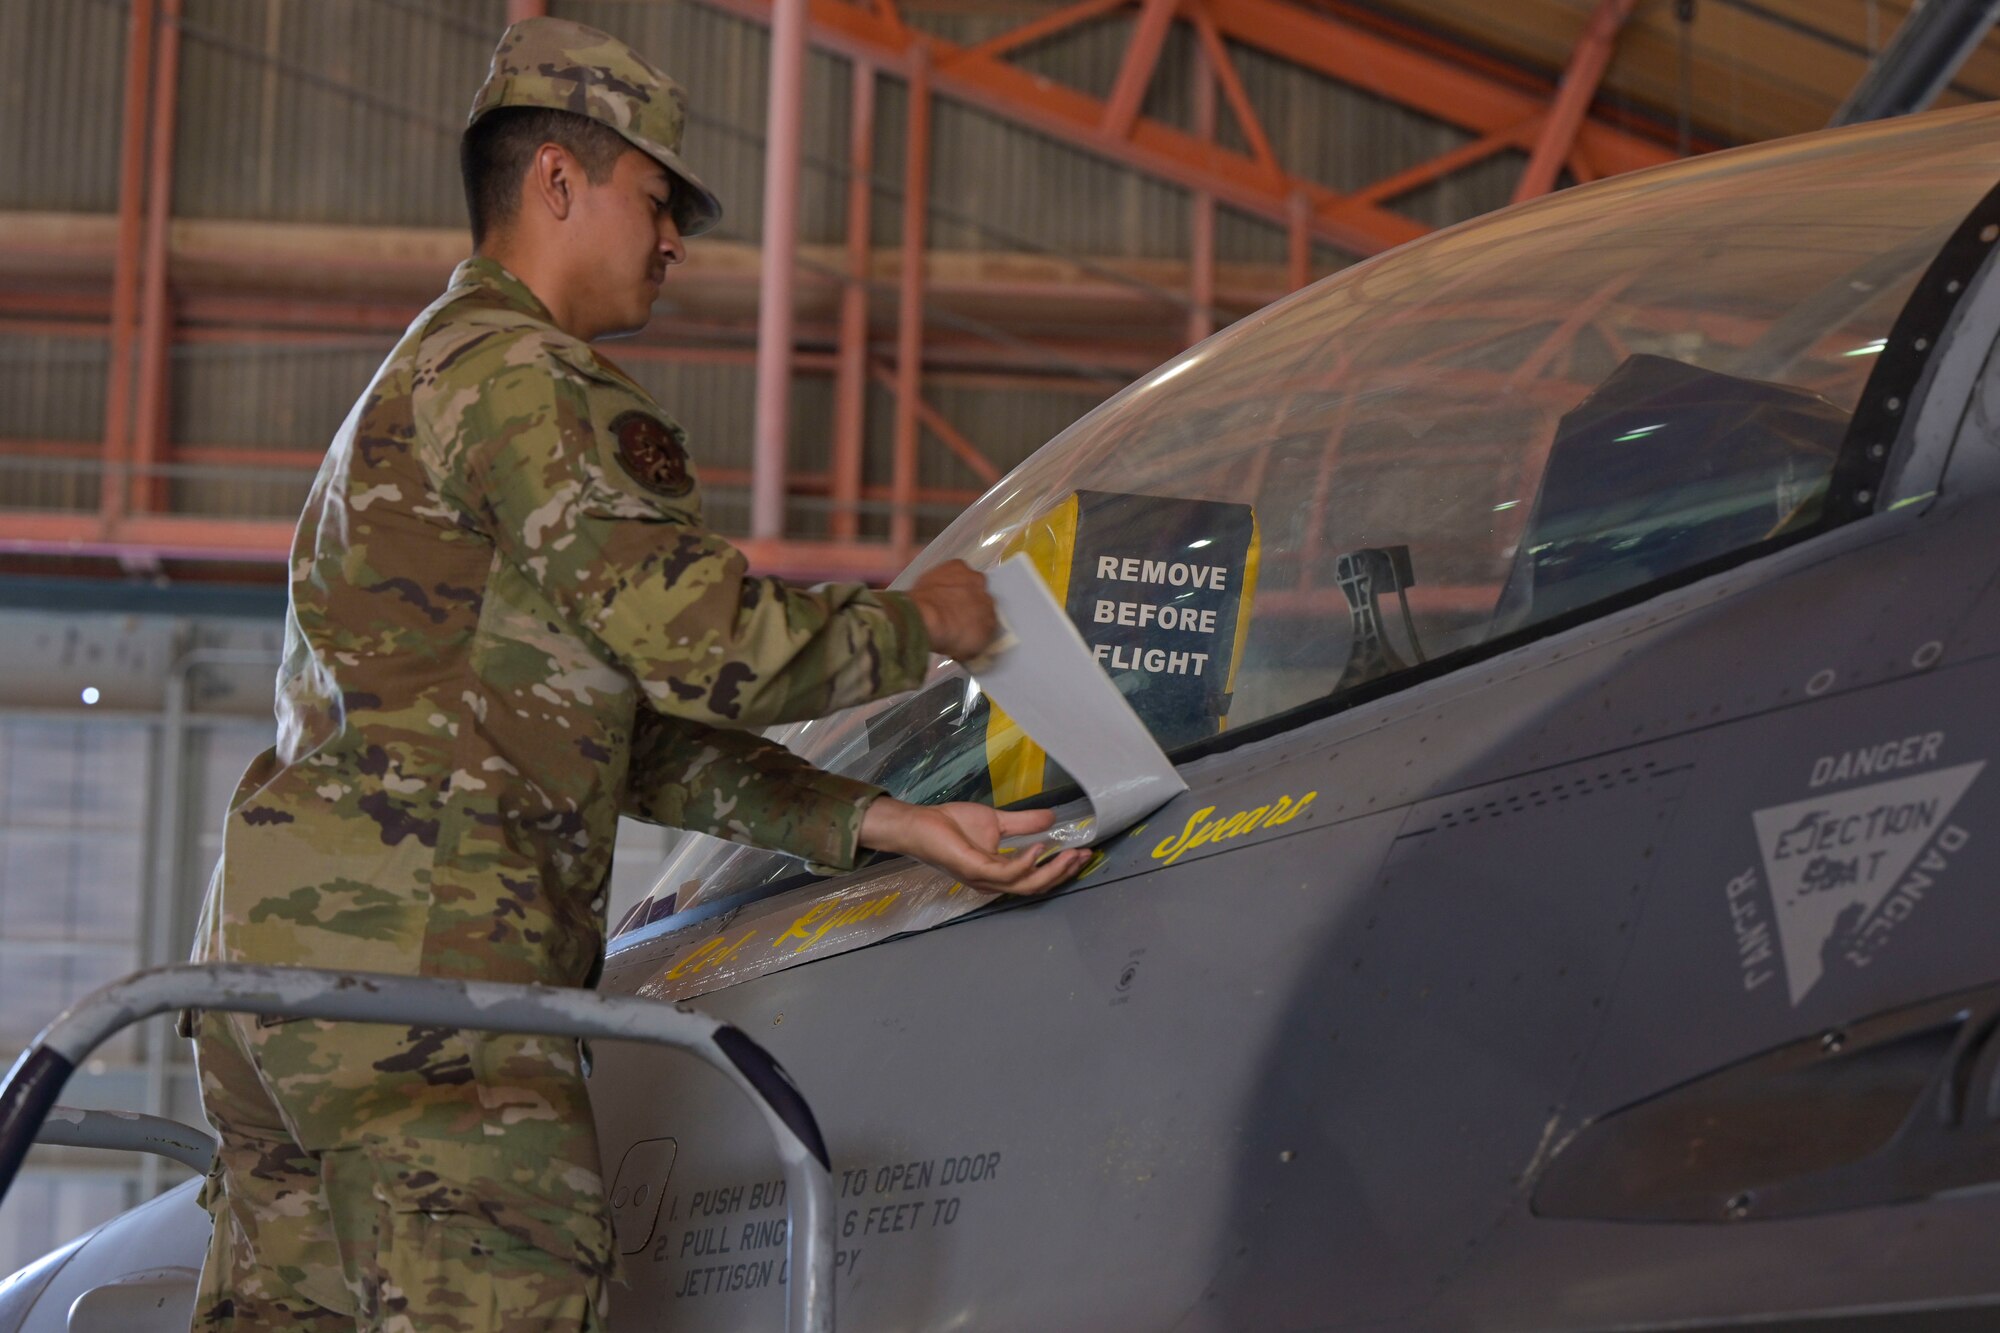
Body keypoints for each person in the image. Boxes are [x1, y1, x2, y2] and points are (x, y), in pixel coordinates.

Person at [185, 16, 1086, 1330]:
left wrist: (871, 817)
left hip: (276, 977)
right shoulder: (535, 383)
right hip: (439, 984)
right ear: (558, 180)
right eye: (659, 202)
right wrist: (927, 623)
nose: (676, 244)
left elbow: (612, 723)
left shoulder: (419, 378)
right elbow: (707, 645)